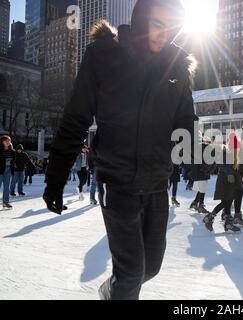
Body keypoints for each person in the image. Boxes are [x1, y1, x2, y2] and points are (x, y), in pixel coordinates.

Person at [43, 0, 197, 300]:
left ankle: (109, 291)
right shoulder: (105, 55)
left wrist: (196, 155)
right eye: (158, 24)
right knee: (130, 276)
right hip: (117, 182)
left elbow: (185, 119)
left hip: (156, 184)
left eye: (172, 28)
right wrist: (56, 177)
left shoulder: (176, 65)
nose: (164, 34)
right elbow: (76, 118)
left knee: (149, 269)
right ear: (141, 19)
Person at [203, 132, 243, 233]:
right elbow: (221, 163)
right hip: (225, 179)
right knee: (227, 201)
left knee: (228, 201)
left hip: (230, 180)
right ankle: (210, 217)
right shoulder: (224, 150)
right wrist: (230, 174)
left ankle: (227, 223)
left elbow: (235, 167)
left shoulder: (234, 152)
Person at [0, 135, 15, 209]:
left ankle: (5, 202)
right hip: (0, 170)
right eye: (7, 140)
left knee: (6, 187)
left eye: (9, 140)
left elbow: (13, 161)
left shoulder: (12, 151)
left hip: (8, 170)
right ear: (2, 142)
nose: (8, 142)